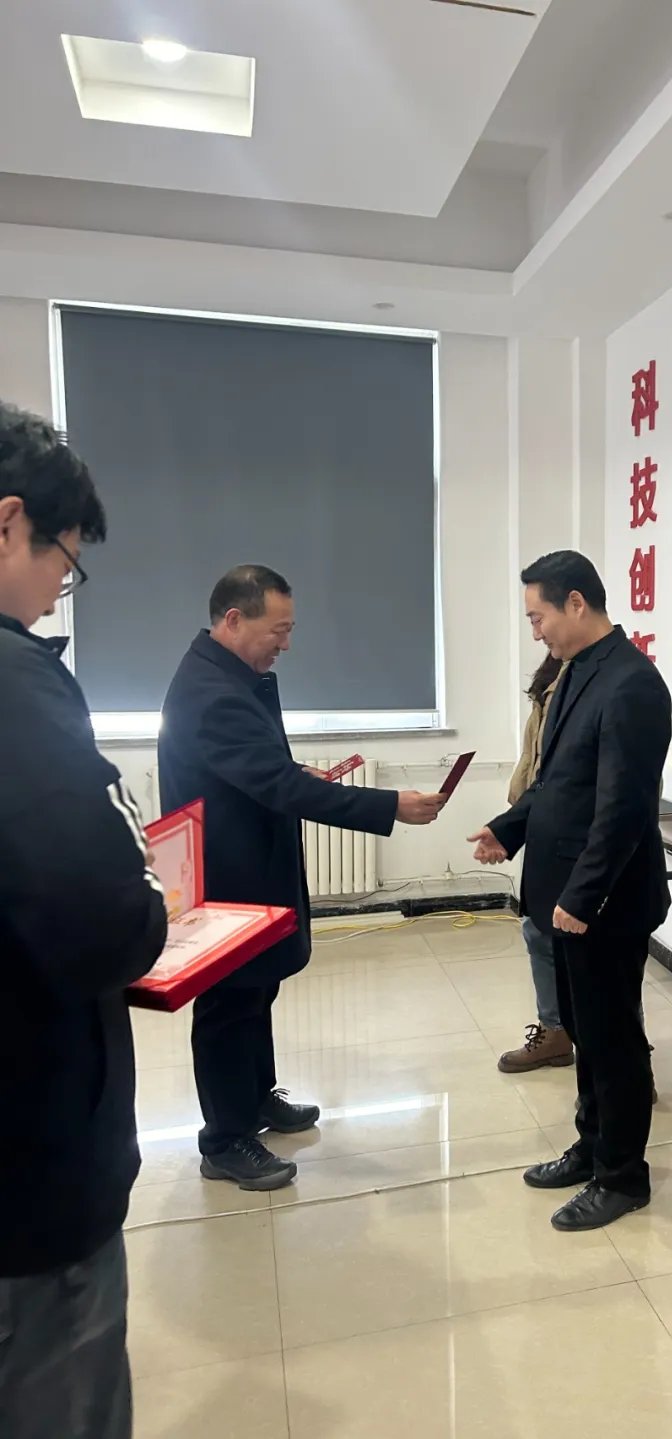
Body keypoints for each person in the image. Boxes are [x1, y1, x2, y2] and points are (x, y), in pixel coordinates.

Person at [158, 565, 446, 1191]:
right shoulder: (212, 692)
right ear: (234, 619)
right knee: (229, 1004)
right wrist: (389, 806)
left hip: (246, 865)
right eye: (278, 630)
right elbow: (276, 785)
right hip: (225, 878)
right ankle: (224, 1140)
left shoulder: (232, 675)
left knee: (256, 990)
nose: (286, 644)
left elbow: (260, 770)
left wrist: (293, 774)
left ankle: (255, 1096)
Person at [0, 402, 168, 1439]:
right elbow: (106, 918)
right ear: (8, 521)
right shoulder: (17, 686)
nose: (62, 585)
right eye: (65, 558)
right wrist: (150, 900)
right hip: (28, 1168)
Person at [470, 550, 672, 1232]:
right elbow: (557, 782)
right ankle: (591, 1146)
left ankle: (623, 1176)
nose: (536, 631)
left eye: (539, 616)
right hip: (566, 897)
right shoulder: (579, 671)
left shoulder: (632, 684)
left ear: (577, 603)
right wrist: (508, 828)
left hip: (603, 904)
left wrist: (583, 898)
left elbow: (623, 809)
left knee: (614, 1043)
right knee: (585, 1034)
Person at [497, 648, 574, 1073]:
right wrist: (514, 821)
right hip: (542, 823)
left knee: (605, 950)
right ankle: (554, 1032)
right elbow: (536, 761)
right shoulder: (550, 681)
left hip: (579, 835)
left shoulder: (602, 682)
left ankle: (630, 1060)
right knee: (538, 930)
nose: (537, 631)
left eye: (540, 618)